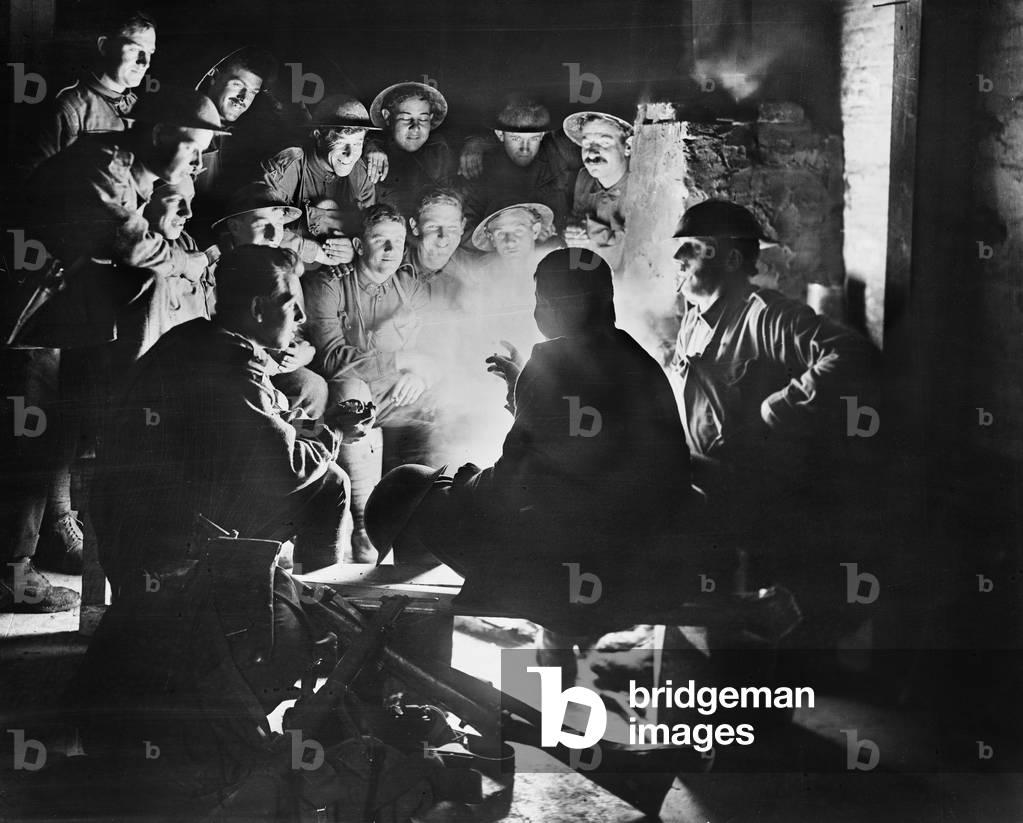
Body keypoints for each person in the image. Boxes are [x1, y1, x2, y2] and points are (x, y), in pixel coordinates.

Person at [365, 249, 701, 628]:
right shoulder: (638, 359)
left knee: (412, 492)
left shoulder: (551, 361)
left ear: (557, 306)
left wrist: (462, 481)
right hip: (647, 564)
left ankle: (423, 631)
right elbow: (571, 442)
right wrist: (520, 391)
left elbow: (512, 488)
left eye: (539, 300)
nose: (537, 311)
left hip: (578, 573)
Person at [1, 89, 229, 611]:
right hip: (25, 318)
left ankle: (23, 568)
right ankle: (13, 576)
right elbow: (131, 244)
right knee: (27, 446)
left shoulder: (134, 177)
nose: (197, 160)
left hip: (58, 321)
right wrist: (186, 264)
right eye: (193, 147)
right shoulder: (103, 167)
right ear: (158, 135)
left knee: (49, 443)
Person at [91, 244, 362, 588]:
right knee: (329, 483)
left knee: (315, 471)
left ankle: (281, 596)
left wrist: (323, 426)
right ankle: (310, 608)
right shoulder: (234, 364)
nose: (301, 318)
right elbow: (288, 465)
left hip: (140, 521)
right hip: (164, 543)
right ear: (257, 309)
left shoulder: (197, 337)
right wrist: (334, 432)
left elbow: (273, 419)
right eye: (291, 304)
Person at [669, 199, 878, 628]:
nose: (677, 258)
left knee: (753, 621)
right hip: (706, 489)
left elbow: (850, 353)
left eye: (692, 247)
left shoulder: (766, 316)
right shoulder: (693, 319)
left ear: (729, 258)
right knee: (706, 619)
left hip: (756, 500)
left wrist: (777, 408)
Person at [303, 204, 441, 560]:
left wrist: (420, 373)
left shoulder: (410, 286)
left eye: (397, 242)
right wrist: (399, 361)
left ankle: (426, 537)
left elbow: (435, 348)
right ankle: (363, 530)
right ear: (360, 246)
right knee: (352, 392)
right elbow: (333, 357)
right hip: (348, 398)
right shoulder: (328, 284)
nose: (391, 252)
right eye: (380, 241)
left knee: (442, 406)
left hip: (396, 395)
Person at [211, 182, 329, 418]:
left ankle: (301, 443)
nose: (274, 235)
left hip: (272, 363)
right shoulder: (215, 268)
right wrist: (268, 362)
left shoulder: (282, 265)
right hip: (231, 367)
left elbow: (298, 326)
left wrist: (305, 352)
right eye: (263, 224)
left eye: (278, 224)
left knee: (312, 388)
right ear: (234, 227)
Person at [20, 10, 157, 178]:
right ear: (104, 46)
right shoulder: (69, 108)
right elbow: (33, 181)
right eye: (134, 49)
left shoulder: (139, 107)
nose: (145, 62)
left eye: (150, 52)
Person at [261, 93, 380, 267]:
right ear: (318, 136)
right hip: (286, 264)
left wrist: (354, 248)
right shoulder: (291, 164)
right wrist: (317, 252)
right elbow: (261, 227)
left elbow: (372, 231)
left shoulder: (361, 173)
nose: (349, 154)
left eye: (357, 144)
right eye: (341, 142)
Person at [191, 46, 282, 244]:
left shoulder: (243, 137)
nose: (243, 98)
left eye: (252, 92)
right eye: (237, 85)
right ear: (213, 77)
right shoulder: (185, 129)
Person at [459, 95, 582, 241]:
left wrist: (559, 232)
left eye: (533, 138)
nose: (525, 149)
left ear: (543, 135)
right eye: (516, 139)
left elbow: (576, 219)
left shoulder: (557, 160)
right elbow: (464, 232)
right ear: (500, 135)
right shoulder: (480, 168)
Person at [562, 111, 633, 275]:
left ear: (627, 147)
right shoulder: (584, 179)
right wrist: (573, 234)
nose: (592, 154)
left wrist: (589, 231)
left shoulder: (641, 187)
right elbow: (577, 222)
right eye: (586, 145)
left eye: (604, 143)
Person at [368, 81, 454, 216]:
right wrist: (370, 145)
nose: (415, 127)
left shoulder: (440, 154)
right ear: (387, 117)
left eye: (423, 119)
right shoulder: (372, 154)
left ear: (431, 119)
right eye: (406, 118)